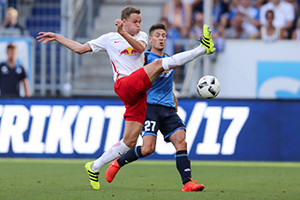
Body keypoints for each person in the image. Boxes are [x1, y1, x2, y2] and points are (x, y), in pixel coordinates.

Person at [36, 6, 215, 190]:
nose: (139, 25)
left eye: (140, 22)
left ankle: (94, 166)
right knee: (160, 64)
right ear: (124, 20)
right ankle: (202, 48)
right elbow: (81, 49)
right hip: (125, 84)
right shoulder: (108, 39)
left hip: (138, 94)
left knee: (129, 142)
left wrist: (123, 33)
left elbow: (139, 48)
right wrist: (58, 37)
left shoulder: (142, 36)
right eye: (135, 22)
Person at [106, 23, 204, 192]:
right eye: (157, 35)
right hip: (149, 108)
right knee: (148, 148)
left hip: (168, 109)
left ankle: (187, 183)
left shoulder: (168, 59)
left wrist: (173, 99)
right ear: (150, 39)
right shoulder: (144, 59)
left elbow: (168, 84)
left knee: (181, 141)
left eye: (164, 36)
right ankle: (117, 162)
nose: (161, 38)